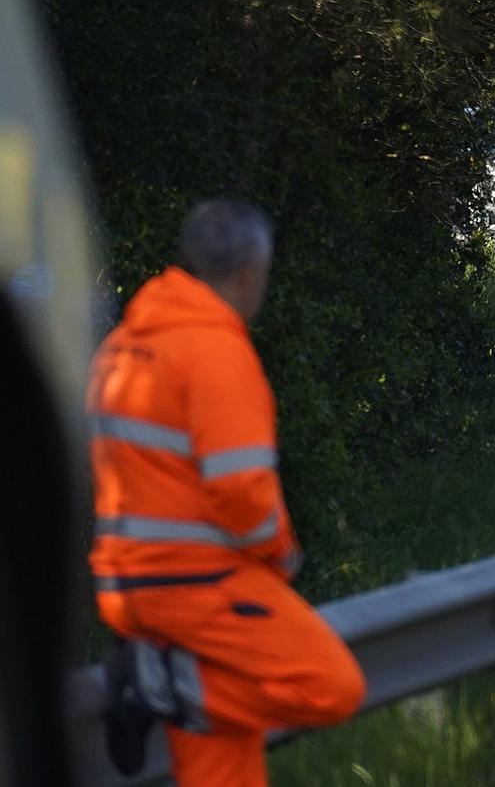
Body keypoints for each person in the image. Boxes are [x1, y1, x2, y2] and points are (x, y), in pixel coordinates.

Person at [90, 200, 365, 783]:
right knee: (330, 685)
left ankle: (167, 684)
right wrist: (280, 556)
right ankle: (155, 688)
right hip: (196, 584)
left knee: (223, 754)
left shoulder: (121, 347)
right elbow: (241, 492)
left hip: (128, 586)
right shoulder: (214, 350)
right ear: (249, 273)